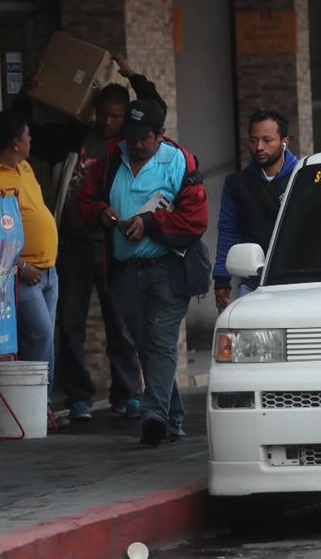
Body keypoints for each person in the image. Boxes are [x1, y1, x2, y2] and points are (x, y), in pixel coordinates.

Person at [77, 95, 209, 448]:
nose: (135, 143)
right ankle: (174, 419)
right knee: (146, 348)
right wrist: (103, 212)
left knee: (162, 344)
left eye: (143, 138)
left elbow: (196, 219)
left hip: (167, 271)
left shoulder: (179, 161)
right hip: (124, 273)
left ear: (161, 134)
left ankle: (154, 417)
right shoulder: (110, 159)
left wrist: (150, 223)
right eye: (130, 135)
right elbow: (85, 201)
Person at [52, 57, 147, 422]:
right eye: (103, 114)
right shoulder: (78, 137)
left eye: (116, 116)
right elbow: (37, 126)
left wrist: (133, 76)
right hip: (75, 242)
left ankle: (128, 391)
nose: (108, 122)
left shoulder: (131, 143)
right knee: (69, 321)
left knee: (120, 321)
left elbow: (155, 105)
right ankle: (78, 396)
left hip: (114, 244)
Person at [0, 111, 60, 392]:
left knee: (41, 339)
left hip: (49, 269)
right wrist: (21, 266)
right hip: (21, 272)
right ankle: (40, 404)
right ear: (15, 143)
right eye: (27, 135)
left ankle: (36, 404)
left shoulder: (25, 167)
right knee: (41, 335)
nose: (30, 139)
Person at [214, 109, 298, 312]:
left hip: (302, 282)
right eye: (253, 140)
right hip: (253, 282)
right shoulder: (237, 184)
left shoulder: (303, 176)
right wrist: (222, 279)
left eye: (267, 140)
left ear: (285, 141)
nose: (259, 147)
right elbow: (228, 231)